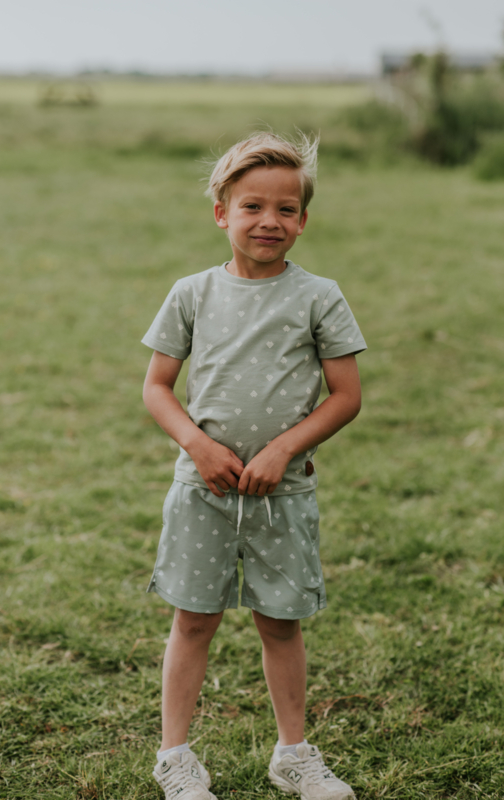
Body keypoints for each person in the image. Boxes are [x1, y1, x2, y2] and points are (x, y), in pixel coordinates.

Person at [142, 132, 366, 800]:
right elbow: (156, 387)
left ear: (303, 220)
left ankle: (293, 755)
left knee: (280, 623)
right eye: (252, 206)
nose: (270, 220)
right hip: (201, 490)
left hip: (283, 493)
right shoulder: (192, 293)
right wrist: (198, 445)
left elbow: (346, 396)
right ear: (222, 213)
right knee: (193, 620)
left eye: (285, 209)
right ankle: (175, 758)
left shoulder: (319, 296)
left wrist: (282, 450)